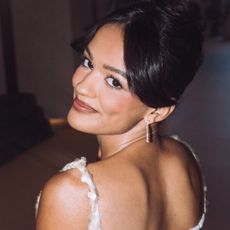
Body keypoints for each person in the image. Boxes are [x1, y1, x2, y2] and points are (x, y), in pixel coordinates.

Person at [35, 0, 206, 229]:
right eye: (88, 62)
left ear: (158, 110)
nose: (83, 86)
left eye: (114, 81)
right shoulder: (184, 159)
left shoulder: (74, 194)